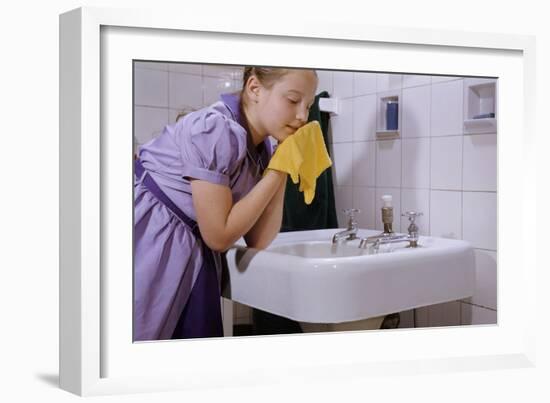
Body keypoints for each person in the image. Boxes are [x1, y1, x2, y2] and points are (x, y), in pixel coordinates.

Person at [134, 66, 318, 341]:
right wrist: (279, 170)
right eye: (293, 101)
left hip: (193, 249)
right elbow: (219, 236)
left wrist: (281, 163)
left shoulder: (262, 149)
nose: (302, 116)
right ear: (254, 88)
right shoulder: (216, 128)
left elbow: (258, 238)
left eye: (308, 105)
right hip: (155, 238)